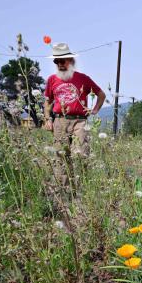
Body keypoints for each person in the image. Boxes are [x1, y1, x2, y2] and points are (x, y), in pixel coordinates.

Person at [43, 42, 106, 185]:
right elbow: (47, 102)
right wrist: (48, 119)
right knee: (61, 157)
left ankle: (82, 189)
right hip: (60, 121)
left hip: (80, 121)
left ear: (71, 60)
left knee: (82, 154)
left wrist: (95, 110)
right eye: (56, 61)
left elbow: (101, 94)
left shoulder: (83, 78)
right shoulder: (51, 80)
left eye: (62, 60)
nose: (59, 64)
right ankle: (65, 192)